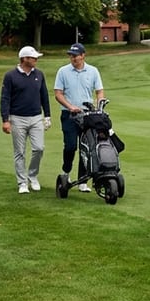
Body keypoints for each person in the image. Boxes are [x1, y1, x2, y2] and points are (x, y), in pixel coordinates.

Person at [53, 42, 105, 193]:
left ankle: (83, 181)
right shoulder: (63, 71)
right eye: (71, 56)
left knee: (86, 147)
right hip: (69, 114)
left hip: (87, 115)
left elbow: (99, 91)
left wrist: (99, 105)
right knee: (70, 146)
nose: (73, 58)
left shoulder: (93, 71)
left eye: (75, 55)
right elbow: (58, 94)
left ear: (83, 55)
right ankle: (66, 172)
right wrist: (70, 106)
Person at [0, 46, 52, 194]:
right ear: (24, 59)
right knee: (19, 152)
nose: (36, 60)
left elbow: (44, 96)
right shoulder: (10, 76)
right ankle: (22, 182)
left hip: (36, 117)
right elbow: (5, 99)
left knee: (39, 148)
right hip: (17, 118)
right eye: (33, 58)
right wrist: (5, 119)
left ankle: (33, 176)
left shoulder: (39, 75)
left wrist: (47, 115)